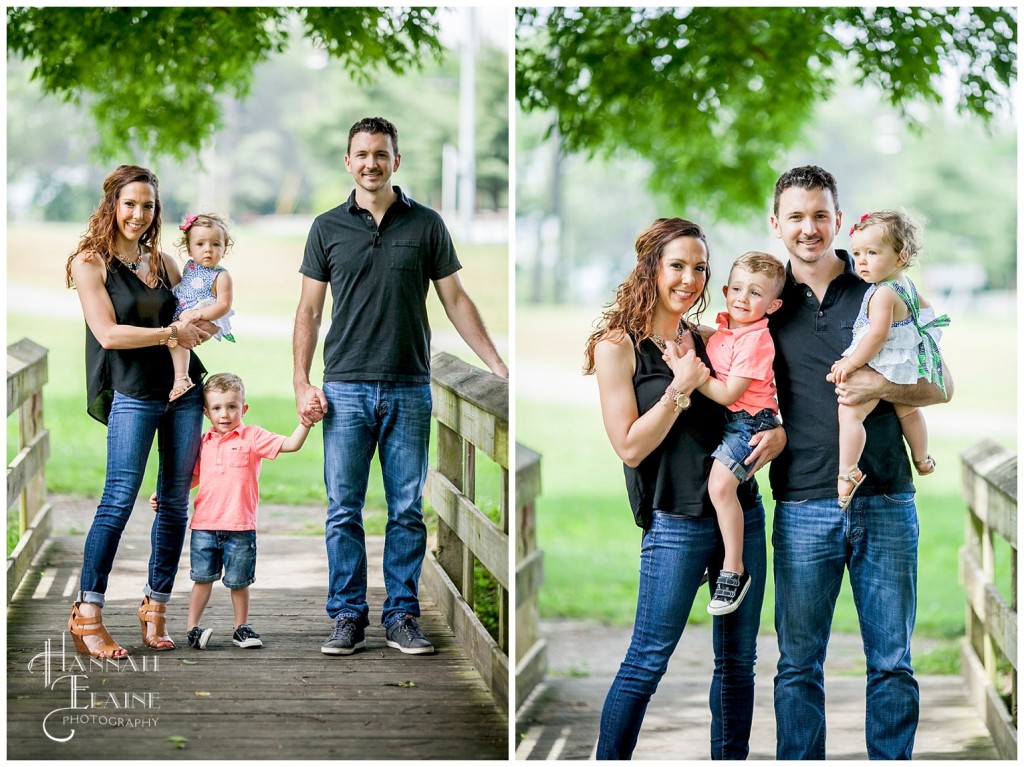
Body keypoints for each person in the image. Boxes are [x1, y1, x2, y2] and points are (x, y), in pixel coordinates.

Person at [756, 166, 953, 759]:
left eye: (820, 215)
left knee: (891, 662)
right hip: (800, 504)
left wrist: (878, 385)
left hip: (888, 497)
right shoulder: (767, 299)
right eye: (796, 216)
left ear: (837, 220)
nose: (809, 228)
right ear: (776, 224)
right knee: (797, 665)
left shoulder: (878, 282)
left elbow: (940, 386)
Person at [292, 116, 508, 657]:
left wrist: (497, 367)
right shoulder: (326, 227)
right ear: (348, 162)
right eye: (361, 154)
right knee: (344, 508)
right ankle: (347, 616)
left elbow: (455, 299)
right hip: (343, 387)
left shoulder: (427, 224)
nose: (371, 163)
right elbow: (309, 310)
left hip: (410, 387)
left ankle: (402, 616)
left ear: (396, 160)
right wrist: (300, 380)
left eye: (381, 154)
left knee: (407, 510)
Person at [584, 217, 785, 760]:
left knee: (739, 662)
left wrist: (778, 432)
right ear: (651, 267)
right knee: (647, 659)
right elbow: (629, 447)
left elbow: (748, 399)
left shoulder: (705, 339)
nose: (690, 278)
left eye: (700, 267)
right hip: (675, 520)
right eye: (678, 265)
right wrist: (679, 387)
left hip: (738, 510)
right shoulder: (617, 346)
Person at [64, 164, 213, 658]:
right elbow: (108, 334)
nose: (138, 213)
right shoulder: (91, 262)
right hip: (132, 391)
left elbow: (194, 314)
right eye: (130, 203)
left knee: (173, 503)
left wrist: (200, 327)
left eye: (147, 205)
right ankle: (87, 613)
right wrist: (170, 333)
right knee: (119, 499)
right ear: (112, 205)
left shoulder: (166, 263)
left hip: (182, 392)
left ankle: (155, 606)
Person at [150, 373, 311, 650]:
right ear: (206, 411)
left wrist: (305, 423)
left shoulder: (253, 437)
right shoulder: (203, 442)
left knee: (239, 582)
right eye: (216, 408)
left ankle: (241, 628)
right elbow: (193, 477)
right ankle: (192, 629)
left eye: (231, 407)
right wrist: (165, 495)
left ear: (243, 408)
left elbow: (290, 444)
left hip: (240, 527)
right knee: (202, 579)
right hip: (204, 527)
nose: (224, 414)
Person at [832, 210, 949, 507]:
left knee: (850, 413)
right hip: (904, 362)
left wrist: (851, 363)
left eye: (872, 253)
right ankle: (922, 457)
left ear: (900, 256)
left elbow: (876, 336)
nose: (861, 261)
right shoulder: (907, 285)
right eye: (857, 253)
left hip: (883, 362)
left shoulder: (882, 293)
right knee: (908, 412)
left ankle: (848, 472)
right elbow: (926, 313)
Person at [693, 251, 785, 615]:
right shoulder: (730, 329)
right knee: (714, 485)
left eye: (755, 293)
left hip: (750, 422)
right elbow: (719, 341)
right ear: (725, 289)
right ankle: (716, 554)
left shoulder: (757, 340)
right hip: (733, 421)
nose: (742, 299)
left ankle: (734, 568)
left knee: (720, 486)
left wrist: (693, 376)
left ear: (773, 305)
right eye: (736, 289)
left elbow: (729, 393)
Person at [167, 212, 236, 402]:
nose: (208, 250)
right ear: (189, 248)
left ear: (224, 248)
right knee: (174, 336)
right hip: (187, 310)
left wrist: (199, 313)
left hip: (205, 312)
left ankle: (182, 378)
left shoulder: (221, 275)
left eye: (215, 244)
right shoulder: (190, 266)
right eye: (200, 244)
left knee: (175, 336)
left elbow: (223, 304)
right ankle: (180, 376)